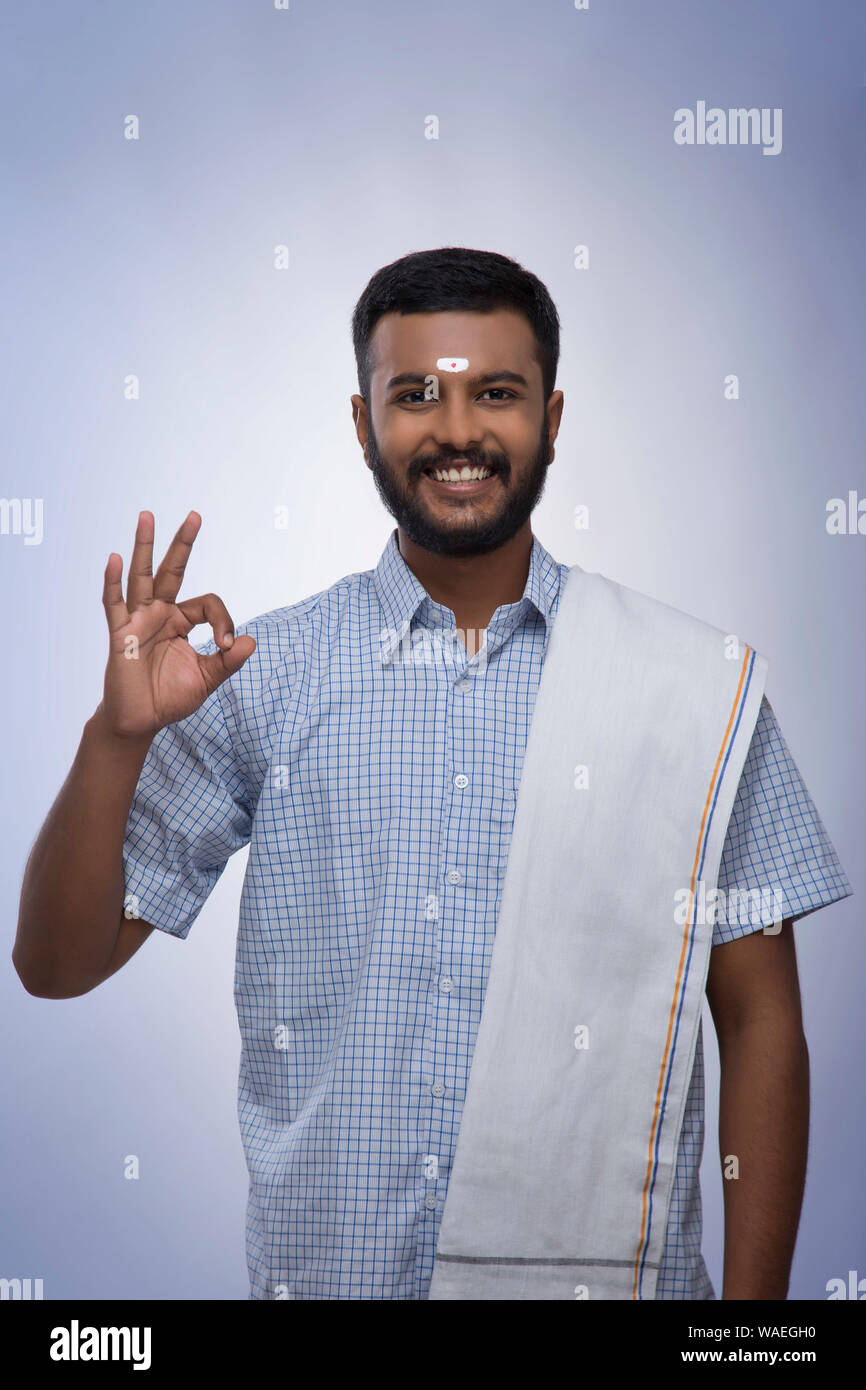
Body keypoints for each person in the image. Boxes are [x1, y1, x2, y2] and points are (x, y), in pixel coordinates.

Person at [14, 247, 851, 1300]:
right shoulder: (258, 680)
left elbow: (761, 1018)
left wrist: (750, 1332)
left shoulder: (691, 690)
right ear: (362, 424)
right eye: (415, 395)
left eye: (493, 393)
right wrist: (113, 737)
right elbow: (54, 963)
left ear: (551, 415)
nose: (456, 430)